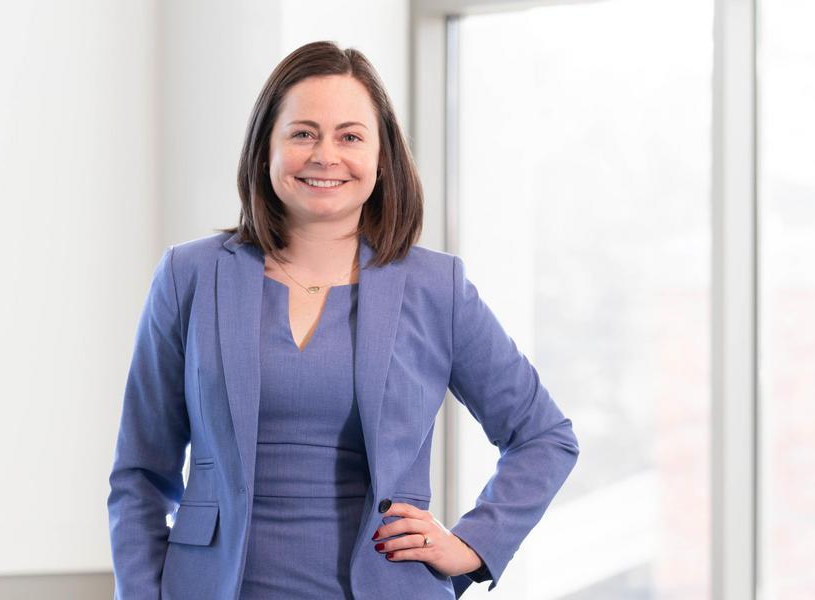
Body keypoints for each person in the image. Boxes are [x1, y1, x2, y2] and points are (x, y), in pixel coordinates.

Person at [107, 40, 579, 600]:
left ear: (382, 159)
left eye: (350, 136)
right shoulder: (188, 276)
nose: (325, 156)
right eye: (303, 133)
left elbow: (544, 436)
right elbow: (139, 474)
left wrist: (474, 546)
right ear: (266, 151)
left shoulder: (435, 288)